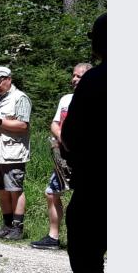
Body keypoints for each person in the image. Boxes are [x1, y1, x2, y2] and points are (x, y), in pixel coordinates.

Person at [49, 13, 107, 273]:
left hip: (97, 184)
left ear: (98, 43)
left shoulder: (95, 80)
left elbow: (69, 136)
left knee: (87, 258)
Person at [30, 63, 93, 250]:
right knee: (51, 193)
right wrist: (62, 138)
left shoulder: (96, 98)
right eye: (73, 75)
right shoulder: (66, 99)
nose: (74, 79)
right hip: (64, 157)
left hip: (86, 158)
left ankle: (88, 241)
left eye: (79, 76)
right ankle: (53, 237)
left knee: (87, 198)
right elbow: (55, 123)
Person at [0, 66, 32, 240]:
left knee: (15, 189)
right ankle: (7, 226)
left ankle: (17, 228)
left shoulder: (20, 98)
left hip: (13, 151)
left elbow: (23, 125)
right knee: (1, 189)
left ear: (8, 79)